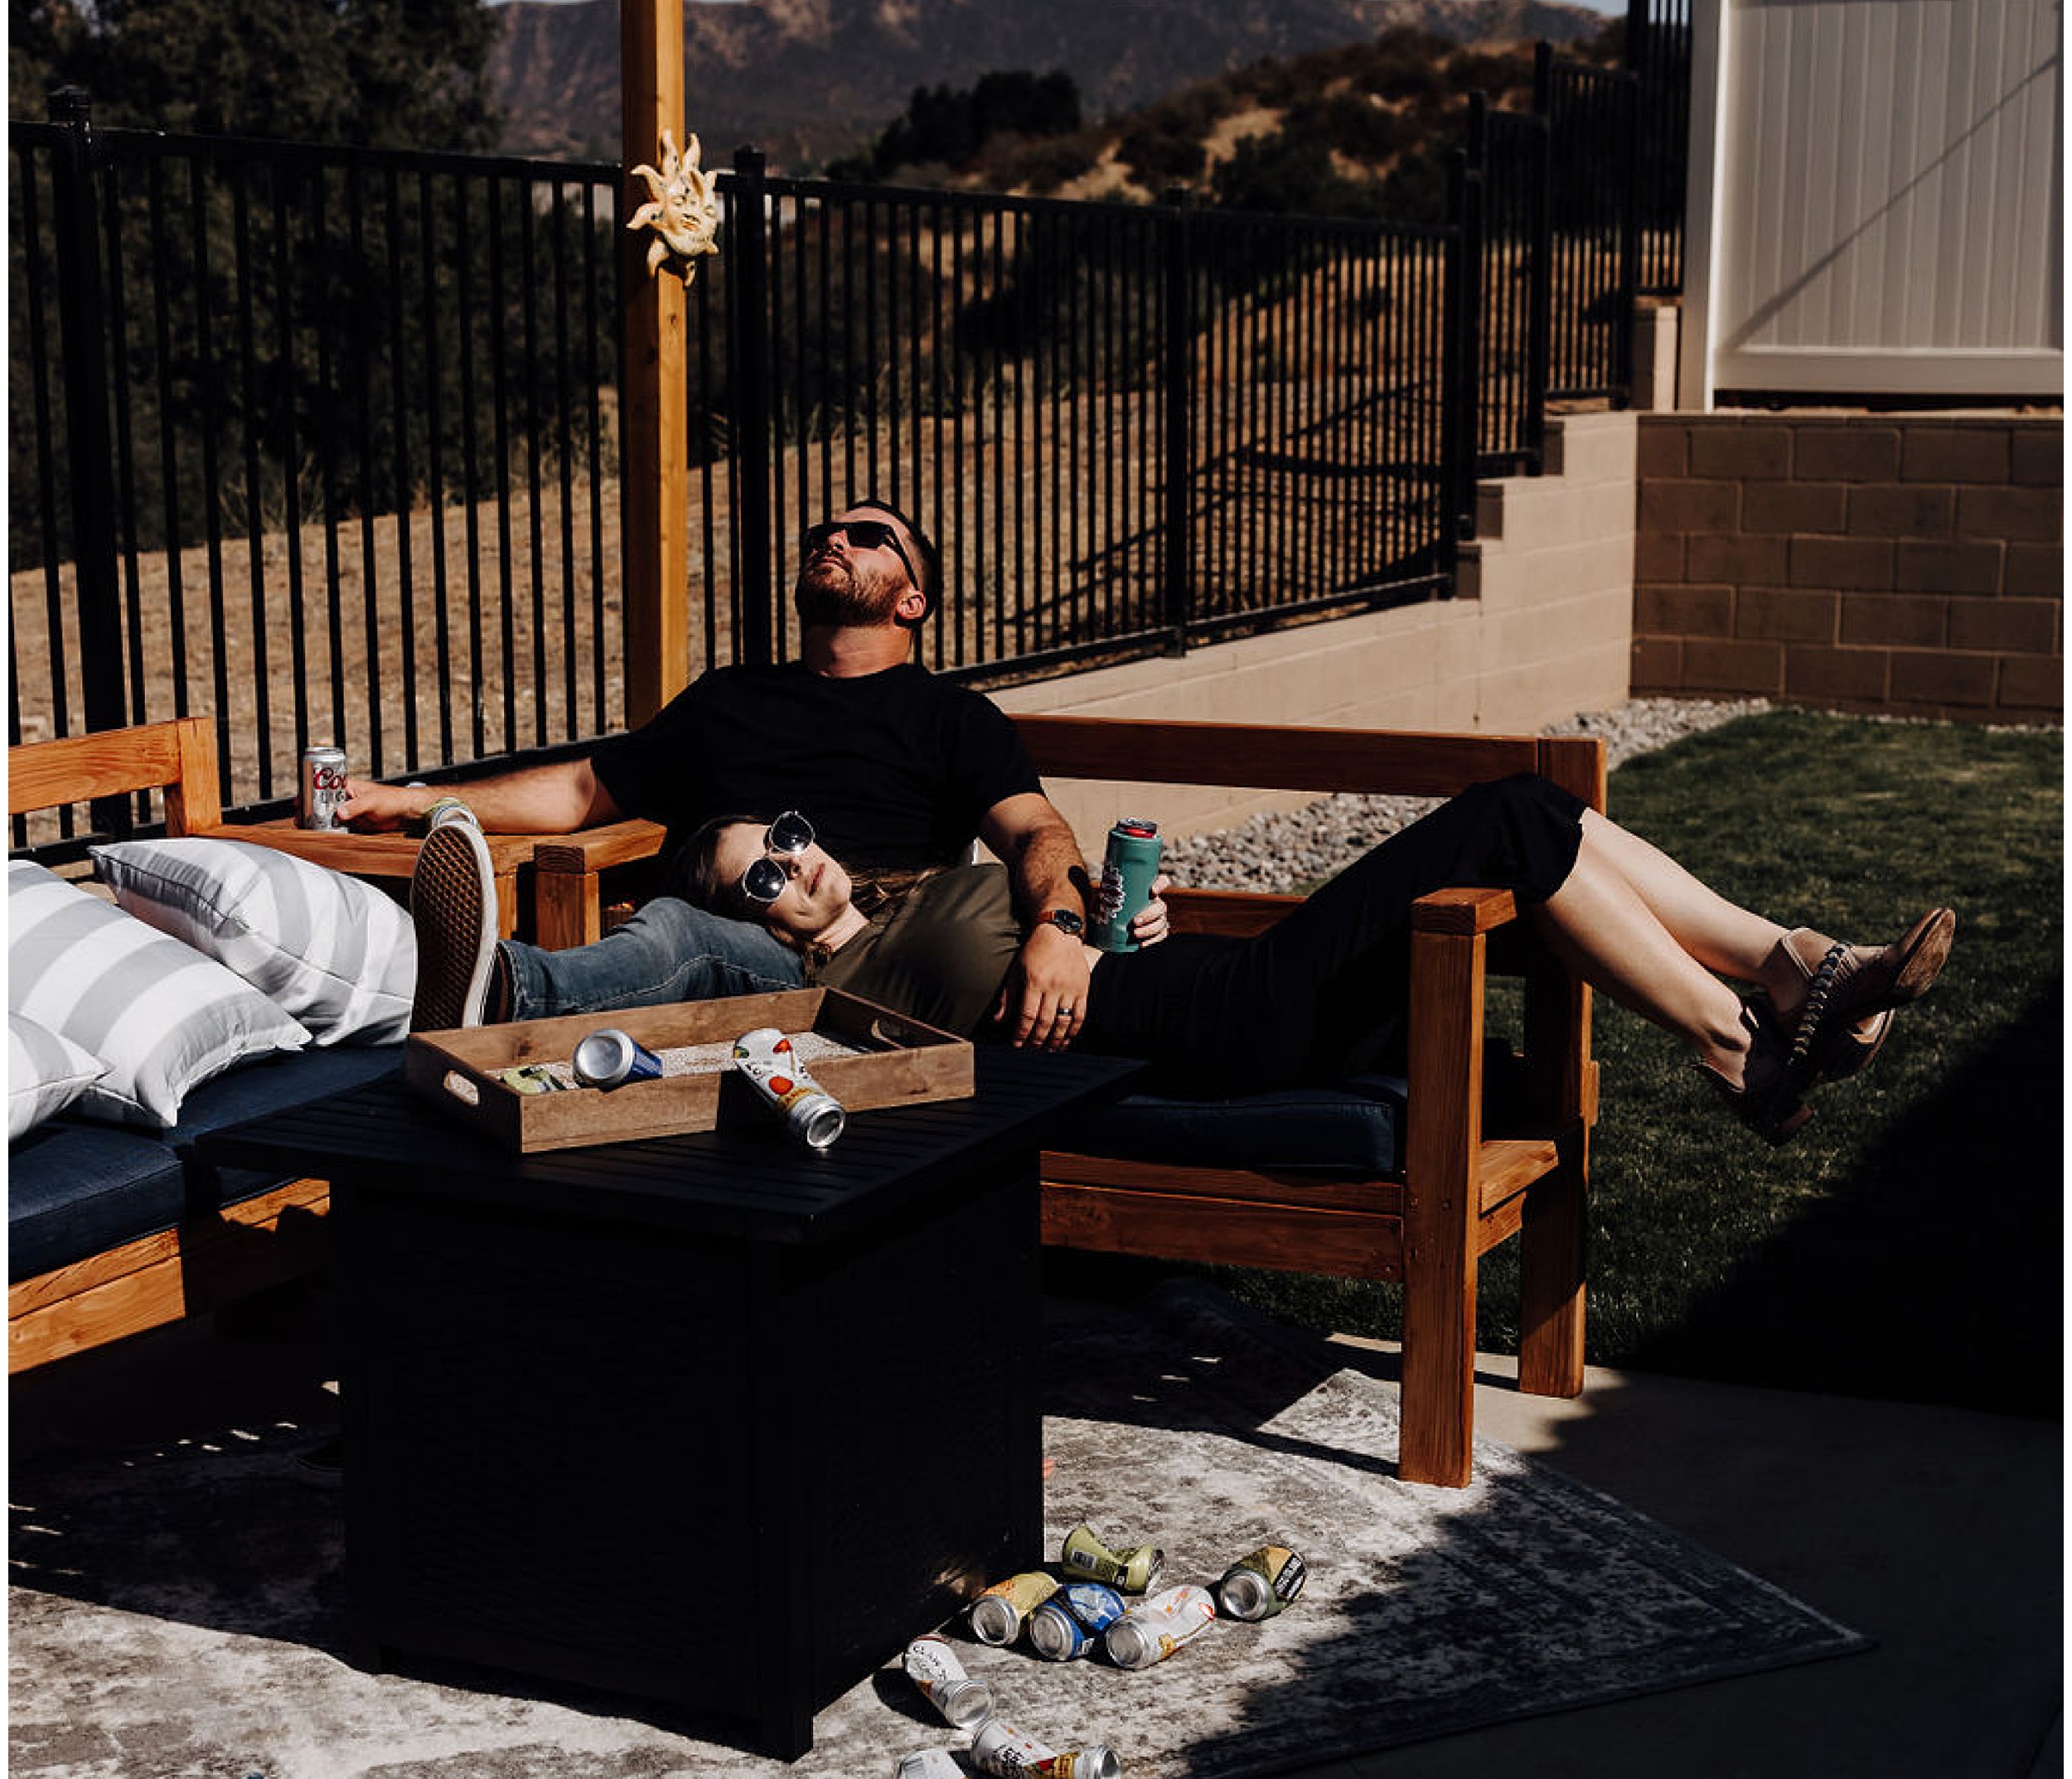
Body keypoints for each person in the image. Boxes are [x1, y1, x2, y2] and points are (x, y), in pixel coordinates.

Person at [675, 776, 1956, 1141]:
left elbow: (1050, 932)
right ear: (759, 921)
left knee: (1536, 817)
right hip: (1222, 1026)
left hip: (1194, 984)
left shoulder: (921, 892)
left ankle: (1773, 1013)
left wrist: (1122, 922)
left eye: (789, 836)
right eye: (766, 876)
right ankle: (1768, 1008)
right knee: (1510, 810)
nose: (799, 864)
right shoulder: (840, 995)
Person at [340, 491, 1098, 1049]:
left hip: (845, 945)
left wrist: (1060, 928)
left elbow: (1036, 829)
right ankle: (457, 982)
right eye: (822, 532)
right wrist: (422, 802)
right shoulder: (732, 696)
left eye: (866, 535)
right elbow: (583, 790)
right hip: (720, 914)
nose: (832, 539)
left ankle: (498, 988)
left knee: (678, 934)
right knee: (677, 928)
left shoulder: (952, 717)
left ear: (912, 600)